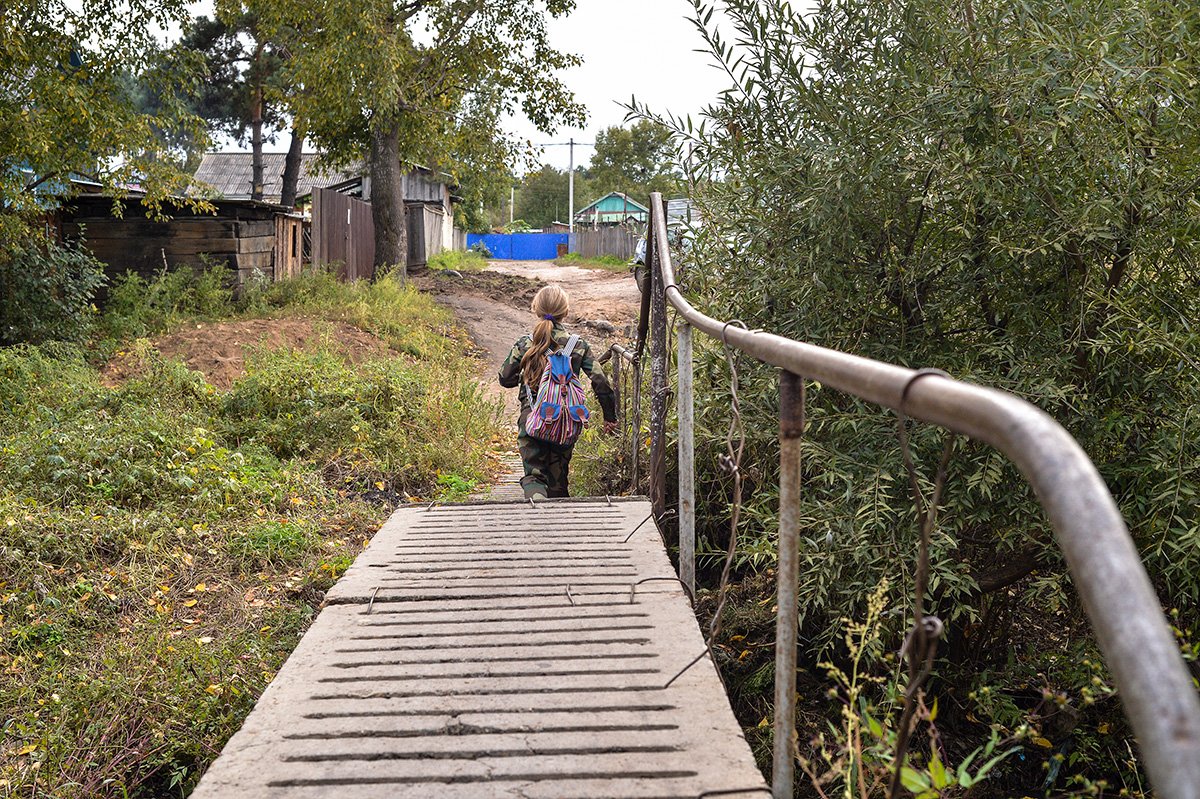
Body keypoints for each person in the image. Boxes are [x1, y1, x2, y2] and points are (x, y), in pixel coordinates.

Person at [499, 285, 618, 499]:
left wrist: (527, 376)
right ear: (565, 311)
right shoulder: (578, 345)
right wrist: (610, 417)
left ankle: (535, 493)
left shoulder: (526, 343)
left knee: (534, 474)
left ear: (536, 308)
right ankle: (557, 511)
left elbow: (504, 379)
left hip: (532, 418)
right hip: (565, 420)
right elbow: (601, 382)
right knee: (559, 480)